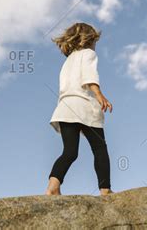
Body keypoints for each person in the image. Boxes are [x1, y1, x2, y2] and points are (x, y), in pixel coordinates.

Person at [45, 22, 113, 196]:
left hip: (65, 109)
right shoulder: (88, 54)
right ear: (89, 40)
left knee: (69, 152)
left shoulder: (67, 62)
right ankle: (105, 190)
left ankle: (53, 186)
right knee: (99, 148)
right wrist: (99, 95)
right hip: (84, 108)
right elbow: (89, 76)